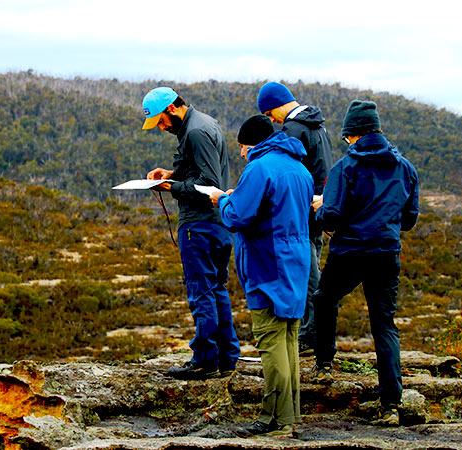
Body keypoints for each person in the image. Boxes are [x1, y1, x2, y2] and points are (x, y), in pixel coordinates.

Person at [311, 100, 419, 427]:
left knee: (324, 299)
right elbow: (410, 220)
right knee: (384, 325)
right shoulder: (406, 168)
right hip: (386, 252)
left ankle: (324, 363)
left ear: (353, 135)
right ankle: (391, 406)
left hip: (350, 252)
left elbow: (333, 215)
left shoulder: (345, 167)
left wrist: (318, 209)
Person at [208, 115, 313, 437]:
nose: (241, 153)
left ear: (252, 142)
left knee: (270, 341)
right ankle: (282, 415)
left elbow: (238, 217)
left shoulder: (260, 168)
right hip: (296, 261)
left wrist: (222, 199)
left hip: (266, 263)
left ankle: (281, 423)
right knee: (289, 340)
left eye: (242, 146)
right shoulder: (300, 169)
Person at [142, 86, 240, 380]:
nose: (160, 128)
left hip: (199, 224)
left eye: (160, 120)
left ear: (171, 109)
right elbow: (201, 172)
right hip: (218, 224)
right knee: (216, 289)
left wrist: (170, 187)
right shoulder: (205, 124)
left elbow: (207, 183)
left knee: (201, 292)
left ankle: (205, 359)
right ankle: (227, 358)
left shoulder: (195, 132)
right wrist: (171, 174)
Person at [257, 82, 333, 356]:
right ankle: (315, 332)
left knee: (307, 272)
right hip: (320, 206)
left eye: (268, 113)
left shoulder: (294, 130)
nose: (271, 120)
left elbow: (286, 171)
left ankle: (310, 335)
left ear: (277, 104)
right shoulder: (318, 126)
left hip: (301, 208)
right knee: (314, 266)